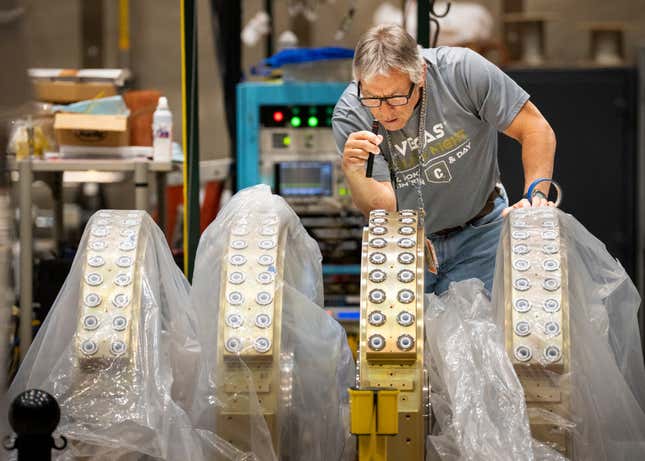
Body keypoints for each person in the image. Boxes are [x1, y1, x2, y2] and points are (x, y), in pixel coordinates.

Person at [332, 24, 556, 294]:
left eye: (395, 97)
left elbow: (535, 128)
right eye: (372, 98)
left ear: (421, 76)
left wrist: (535, 196)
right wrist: (354, 172)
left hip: (480, 232)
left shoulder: (462, 72)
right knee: (411, 334)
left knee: (483, 331)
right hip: (405, 243)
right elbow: (383, 205)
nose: (384, 111)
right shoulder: (351, 113)